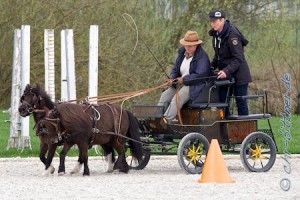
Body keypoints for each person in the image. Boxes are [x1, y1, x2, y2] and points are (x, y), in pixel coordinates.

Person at [158, 30, 211, 123]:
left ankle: (165, 121)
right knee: (165, 95)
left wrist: (184, 79)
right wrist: (172, 78)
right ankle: (156, 119)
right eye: (185, 45)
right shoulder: (181, 53)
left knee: (177, 99)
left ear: (196, 45)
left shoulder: (203, 58)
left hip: (194, 85)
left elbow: (200, 75)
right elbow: (175, 69)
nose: (187, 47)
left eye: (190, 46)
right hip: (179, 83)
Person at [208, 9, 252, 116]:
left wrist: (226, 71)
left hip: (239, 76)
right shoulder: (216, 36)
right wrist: (209, 67)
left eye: (215, 21)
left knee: (241, 103)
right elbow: (217, 56)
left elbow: (238, 58)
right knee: (222, 103)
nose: (212, 23)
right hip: (226, 76)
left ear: (222, 20)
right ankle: (226, 129)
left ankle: (245, 130)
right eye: (211, 21)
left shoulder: (233, 35)